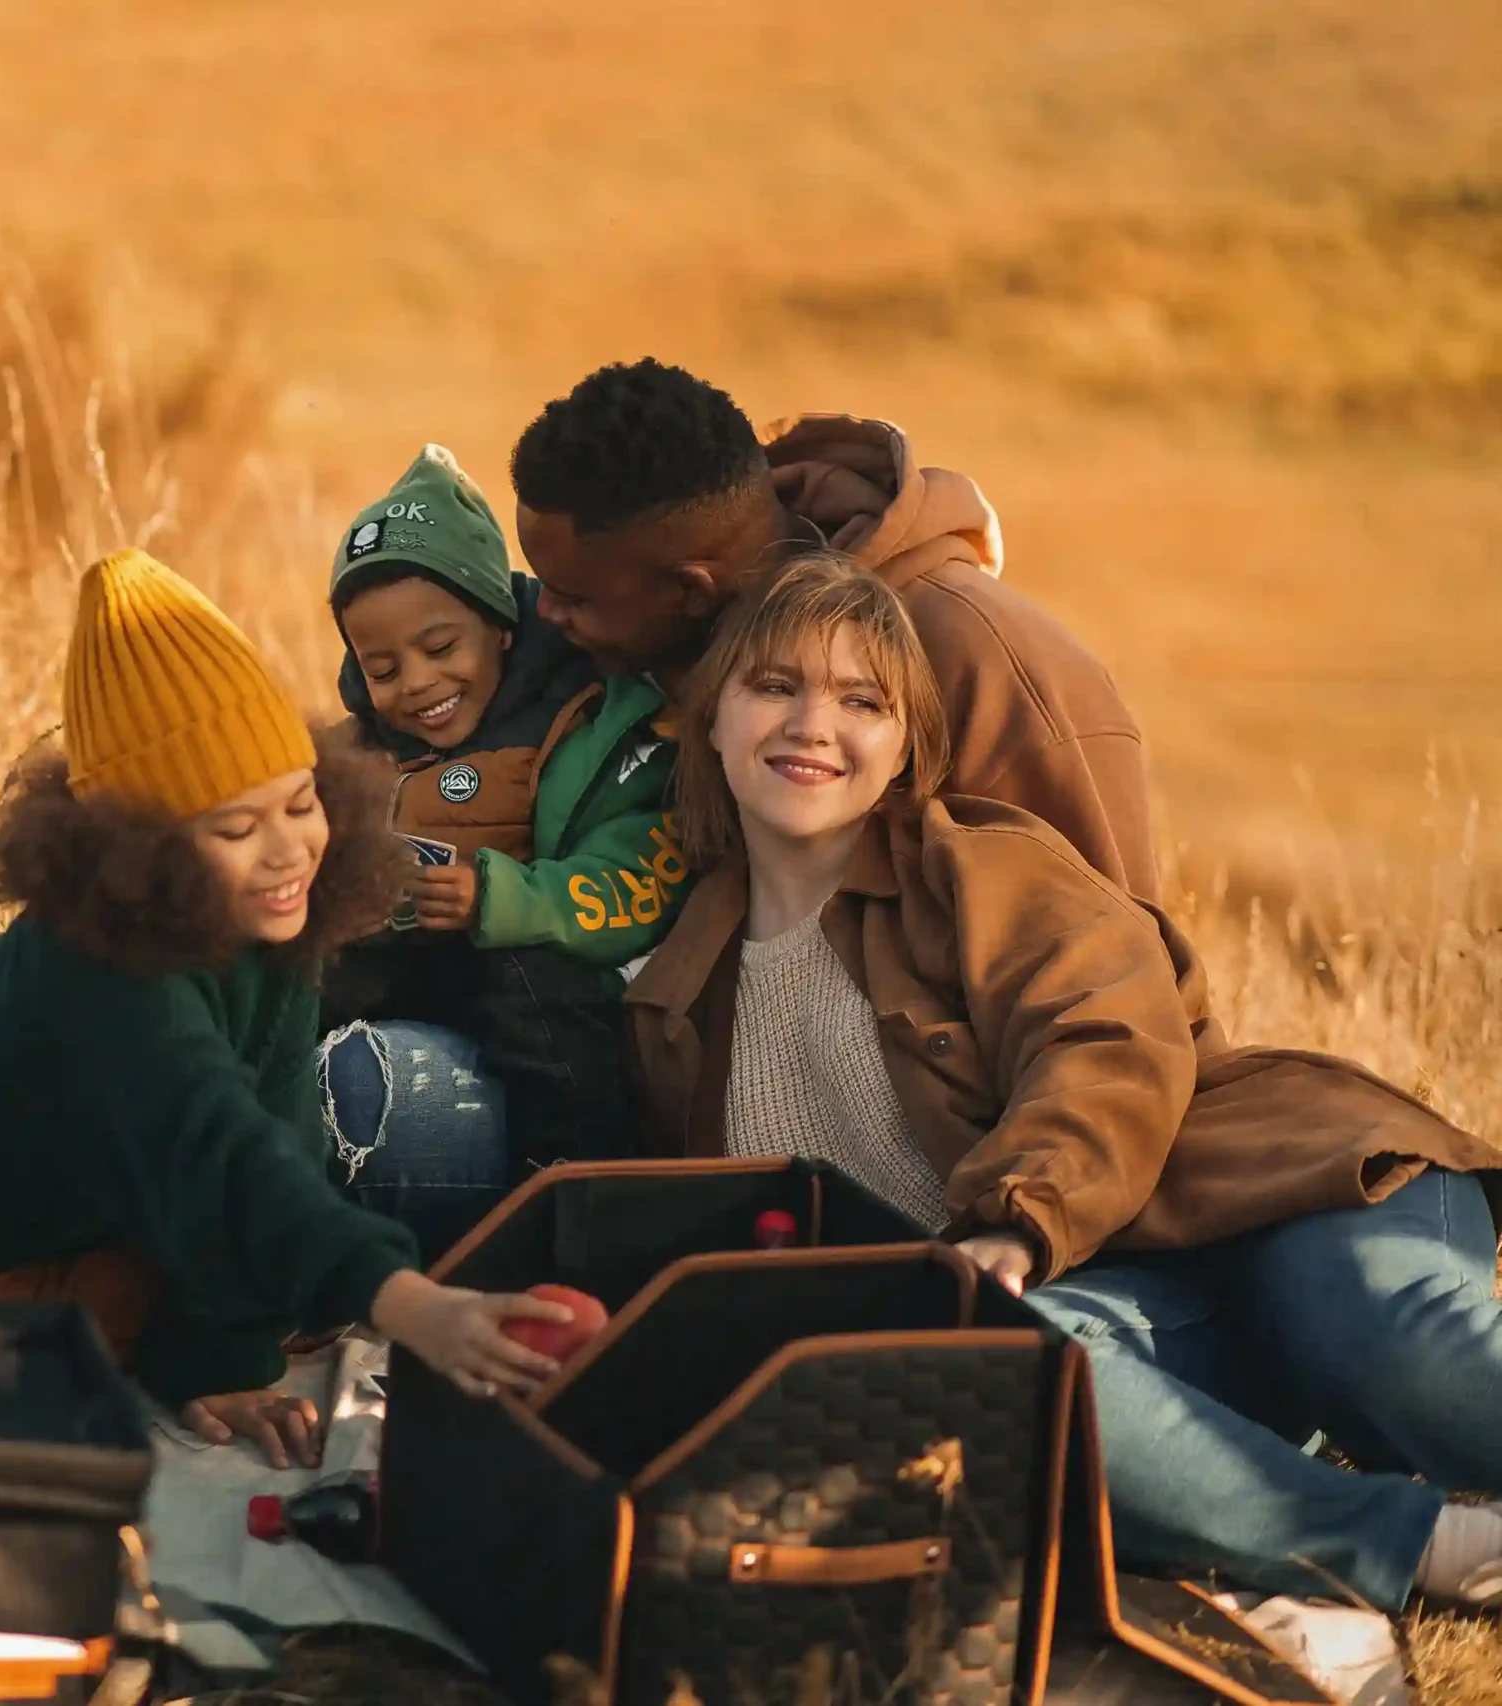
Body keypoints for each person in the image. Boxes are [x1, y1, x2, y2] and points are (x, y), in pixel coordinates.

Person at [625, 550, 1502, 1614]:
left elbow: (1104, 1043)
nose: (813, 723)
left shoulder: (978, 866)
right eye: (775, 686)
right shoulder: (672, 992)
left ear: (904, 749)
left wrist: (1013, 1219)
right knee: (1004, 1378)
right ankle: (1433, 1552)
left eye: (861, 700)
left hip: (1273, 1190)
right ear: (708, 719)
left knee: (1384, 1342)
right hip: (1108, 1296)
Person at [0, 548, 569, 1470]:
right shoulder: (102, 973)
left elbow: (281, 1124)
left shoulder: (272, 908)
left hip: (99, 1158)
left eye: (300, 804)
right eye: (235, 829)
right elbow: (220, 1152)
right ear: (140, 854)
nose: (290, 851)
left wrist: (223, 1363)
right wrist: (411, 1303)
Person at [509, 358, 1158, 899]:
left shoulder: (982, 658)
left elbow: (1119, 986)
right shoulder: (644, 641)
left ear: (691, 590)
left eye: (573, 599)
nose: (546, 613)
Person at [319, 445, 692, 1213]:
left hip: (552, 974)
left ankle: (574, 1197)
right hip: (413, 974)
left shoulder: (598, 719)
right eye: (382, 669)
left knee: (533, 982)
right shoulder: (353, 751)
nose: (417, 683)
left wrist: (499, 899)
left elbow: (638, 887)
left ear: (502, 627)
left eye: (441, 648)